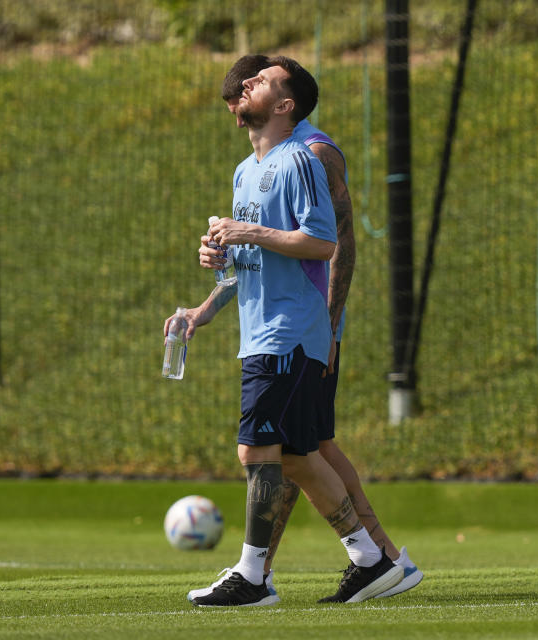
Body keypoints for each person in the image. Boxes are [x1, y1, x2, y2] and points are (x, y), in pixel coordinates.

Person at [165, 56, 403, 606]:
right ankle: (371, 560)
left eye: (263, 81)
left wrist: (246, 229)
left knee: (256, 452)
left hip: (290, 331)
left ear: (284, 104)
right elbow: (248, 261)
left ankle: (253, 577)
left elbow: (322, 243)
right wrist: (204, 302)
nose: (248, 82)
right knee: (295, 454)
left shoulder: (303, 158)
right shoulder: (244, 171)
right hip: (259, 331)